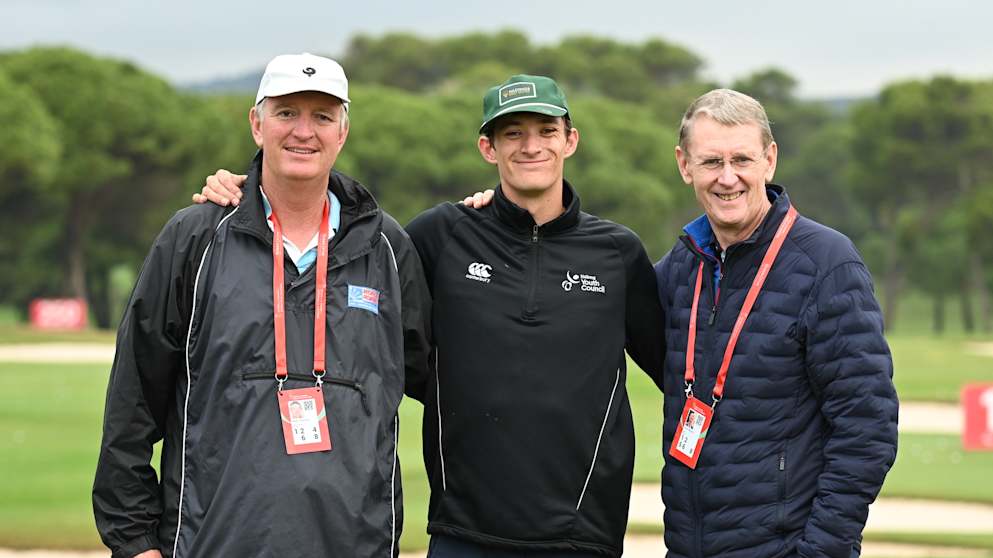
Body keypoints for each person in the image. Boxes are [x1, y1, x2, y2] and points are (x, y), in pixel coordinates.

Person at [196, 74, 665, 557]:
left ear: (570, 140)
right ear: (488, 147)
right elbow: (346, 257)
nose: (531, 147)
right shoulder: (440, 236)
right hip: (461, 532)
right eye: (512, 134)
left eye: (546, 132)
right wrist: (250, 190)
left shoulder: (617, 253)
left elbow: (676, 366)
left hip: (582, 536)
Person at [92, 53, 431, 558]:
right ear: (257, 124)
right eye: (286, 112)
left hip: (353, 543)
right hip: (213, 543)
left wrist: (497, 221)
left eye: (322, 116)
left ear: (343, 131)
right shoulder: (196, 236)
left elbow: (444, 384)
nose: (303, 131)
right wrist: (135, 540)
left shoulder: (387, 247)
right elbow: (133, 397)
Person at [653, 88, 898, 557]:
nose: (728, 178)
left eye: (742, 159)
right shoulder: (682, 265)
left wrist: (821, 551)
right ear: (685, 165)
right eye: (710, 163)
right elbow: (590, 299)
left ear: (770, 159)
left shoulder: (827, 262)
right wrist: (494, 222)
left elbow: (868, 427)